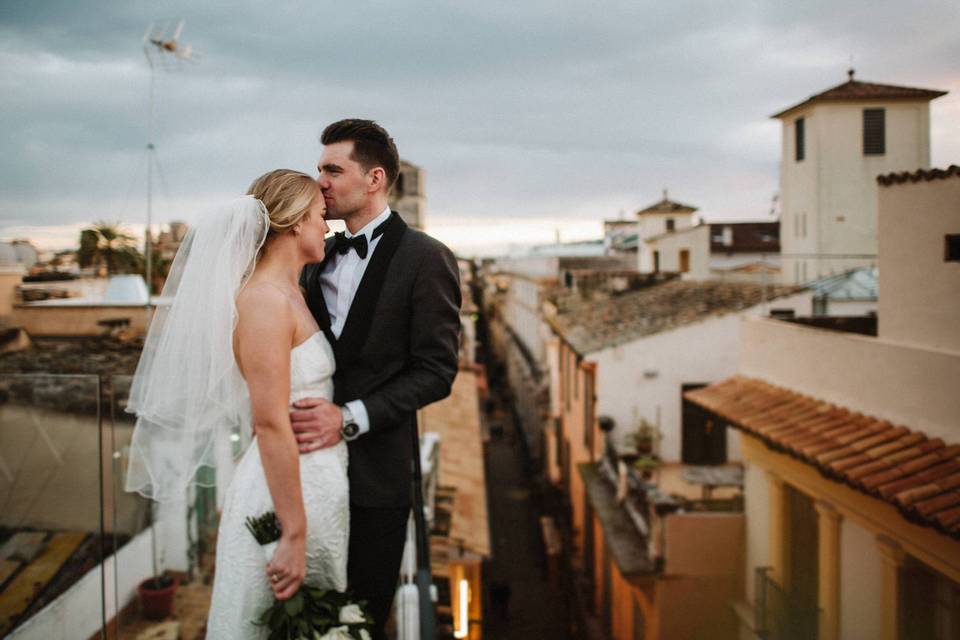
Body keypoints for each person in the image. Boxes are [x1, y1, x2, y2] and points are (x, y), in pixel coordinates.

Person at [125, 169, 345, 639]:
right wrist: (293, 533)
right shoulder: (264, 301)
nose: (326, 226)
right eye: (320, 216)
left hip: (315, 483)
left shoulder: (294, 292)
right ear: (294, 223)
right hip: (281, 500)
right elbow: (268, 422)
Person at [296, 119, 461, 639]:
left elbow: (437, 370)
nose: (319, 180)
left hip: (378, 482)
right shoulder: (309, 259)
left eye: (332, 169)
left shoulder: (425, 258)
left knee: (359, 624)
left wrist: (347, 419)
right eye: (318, 168)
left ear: (374, 179)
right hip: (306, 474)